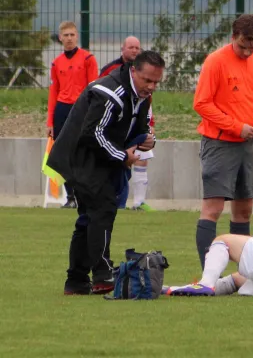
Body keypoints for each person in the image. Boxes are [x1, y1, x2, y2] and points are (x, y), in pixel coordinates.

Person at [46, 51, 164, 295]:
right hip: (81, 157)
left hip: (102, 158)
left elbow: (140, 127)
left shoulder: (142, 96)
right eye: (147, 80)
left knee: (88, 219)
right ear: (133, 71)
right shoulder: (110, 92)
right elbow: (93, 133)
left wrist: (147, 141)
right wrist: (123, 156)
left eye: (156, 82)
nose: (151, 87)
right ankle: (102, 273)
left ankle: (76, 281)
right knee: (103, 208)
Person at [193, 14, 253, 270]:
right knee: (213, 209)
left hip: (247, 145)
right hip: (218, 144)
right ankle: (209, 274)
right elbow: (201, 104)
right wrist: (237, 127)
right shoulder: (215, 61)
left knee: (244, 210)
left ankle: (243, 273)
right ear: (232, 37)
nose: (248, 51)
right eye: (242, 46)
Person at [99, 36, 155, 211]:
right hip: (114, 127)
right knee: (117, 166)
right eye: (131, 47)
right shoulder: (110, 70)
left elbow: (146, 100)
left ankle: (138, 202)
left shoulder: (145, 72)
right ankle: (114, 204)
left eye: (137, 48)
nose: (134, 51)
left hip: (135, 122)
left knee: (140, 157)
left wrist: (149, 125)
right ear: (122, 49)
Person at [47, 21, 98, 208]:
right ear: (60, 38)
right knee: (64, 152)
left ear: (77, 36)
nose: (69, 38)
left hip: (81, 108)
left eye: (72, 35)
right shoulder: (56, 63)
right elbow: (53, 92)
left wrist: (94, 113)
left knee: (83, 151)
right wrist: (50, 121)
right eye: (65, 35)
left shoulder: (87, 59)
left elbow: (94, 88)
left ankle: (84, 193)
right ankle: (70, 196)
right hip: (62, 108)